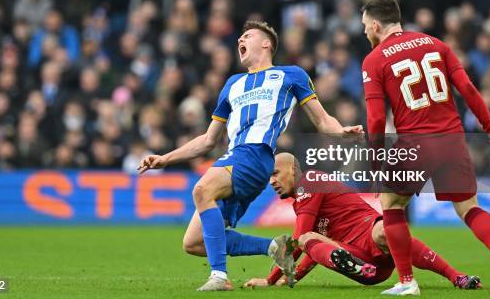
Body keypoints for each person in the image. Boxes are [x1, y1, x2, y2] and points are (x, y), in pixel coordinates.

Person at [139, 20, 363, 291]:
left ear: (266, 43)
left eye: (247, 36)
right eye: (240, 37)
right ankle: (274, 246)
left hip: (255, 155)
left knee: (201, 190)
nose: (239, 41)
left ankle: (219, 277)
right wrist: (165, 158)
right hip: (236, 158)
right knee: (195, 243)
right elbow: (209, 139)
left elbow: (322, 119)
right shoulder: (232, 84)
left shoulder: (290, 75)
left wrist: (341, 133)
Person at [360, 0, 490, 296]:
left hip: (415, 142)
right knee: (468, 208)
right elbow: (467, 89)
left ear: (376, 25)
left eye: (364, 27)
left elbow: (375, 118)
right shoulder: (436, 44)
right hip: (452, 139)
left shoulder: (374, 60)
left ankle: (406, 281)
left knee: (391, 204)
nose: (364, 33)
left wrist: (375, 161)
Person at [243, 153, 481, 290]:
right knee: (310, 239)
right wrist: (289, 278)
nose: (271, 181)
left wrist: (271, 279)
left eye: (275, 173)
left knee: (383, 231)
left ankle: (457, 277)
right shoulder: (301, 202)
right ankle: (359, 266)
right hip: (362, 262)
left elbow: (299, 240)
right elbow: (313, 250)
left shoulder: (311, 180)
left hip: (368, 234)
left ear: (293, 169)